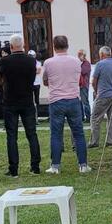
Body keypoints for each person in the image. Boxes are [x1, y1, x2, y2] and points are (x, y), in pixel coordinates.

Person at [41, 35, 90, 174]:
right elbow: (78, 78)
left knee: (56, 134)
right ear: (67, 46)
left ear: (54, 46)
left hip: (56, 100)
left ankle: (55, 166)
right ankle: (83, 165)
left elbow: (45, 81)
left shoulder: (48, 62)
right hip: (74, 99)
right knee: (79, 133)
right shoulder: (76, 61)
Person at [0, 34, 42, 177]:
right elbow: (32, 78)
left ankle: (13, 169)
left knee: (12, 136)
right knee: (32, 134)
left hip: (10, 102)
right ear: (23, 46)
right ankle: (35, 167)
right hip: (27, 101)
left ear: (10, 47)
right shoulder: (31, 61)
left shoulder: (5, 61)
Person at [88, 46, 112, 149]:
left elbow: (94, 81)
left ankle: (94, 141)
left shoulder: (100, 64)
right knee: (111, 118)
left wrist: (95, 91)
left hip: (103, 94)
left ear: (102, 55)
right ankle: (110, 140)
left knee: (95, 117)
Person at [77, 49, 92, 122]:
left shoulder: (86, 64)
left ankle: (88, 117)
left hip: (84, 85)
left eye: (80, 55)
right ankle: (82, 117)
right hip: (81, 85)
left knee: (85, 101)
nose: (78, 57)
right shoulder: (82, 64)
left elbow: (82, 72)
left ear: (83, 55)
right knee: (81, 102)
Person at [29, 50, 43, 115]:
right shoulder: (27, 62)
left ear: (35, 56)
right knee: (30, 99)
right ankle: (31, 114)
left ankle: (38, 114)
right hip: (29, 83)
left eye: (32, 55)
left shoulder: (38, 63)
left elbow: (38, 71)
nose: (31, 57)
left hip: (37, 83)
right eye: (30, 55)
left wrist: (30, 71)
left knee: (37, 99)